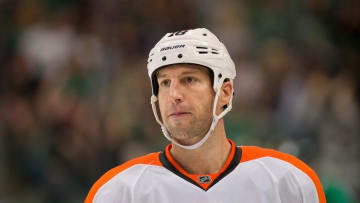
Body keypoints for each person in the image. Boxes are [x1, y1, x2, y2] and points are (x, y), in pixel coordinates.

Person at [84, 28, 326, 203]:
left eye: (189, 79)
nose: (174, 94)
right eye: (165, 83)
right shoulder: (117, 192)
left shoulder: (289, 181)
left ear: (224, 92)